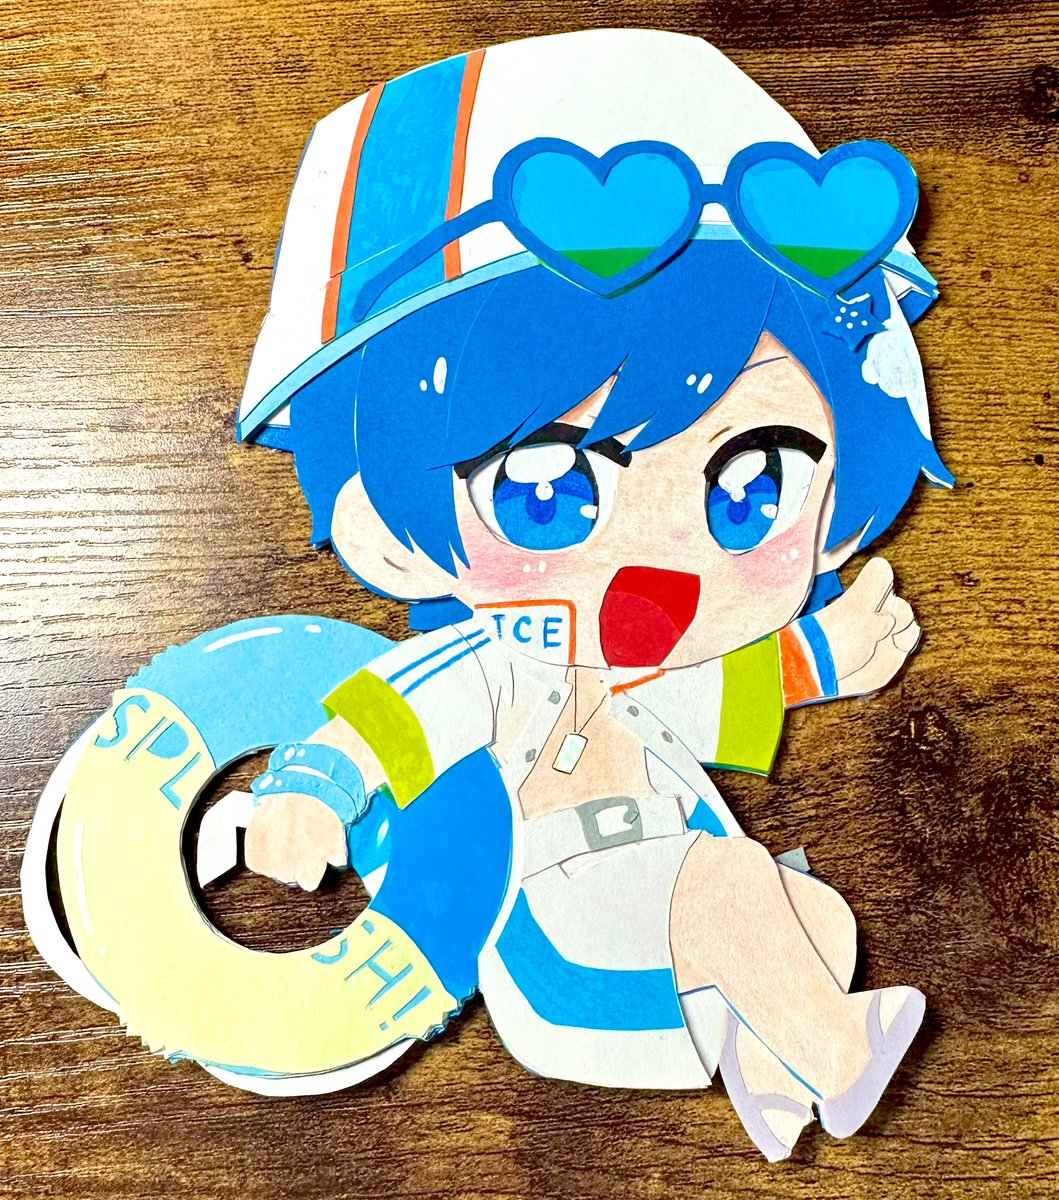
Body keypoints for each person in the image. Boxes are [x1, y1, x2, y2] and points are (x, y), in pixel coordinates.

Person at [235, 29, 951, 1159]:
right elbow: (383, 721)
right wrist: (307, 797)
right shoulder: (488, 661)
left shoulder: (638, 668)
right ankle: (841, 1054)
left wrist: (829, 654)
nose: (660, 555)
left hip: (661, 904)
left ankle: (775, 1081)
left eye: (753, 485)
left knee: (811, 911)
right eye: (546, 491)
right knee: (734, 883)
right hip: (556, 930)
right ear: (386, 528)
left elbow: (729, 689)